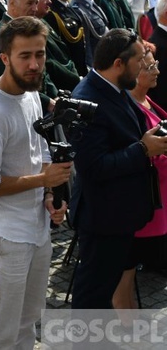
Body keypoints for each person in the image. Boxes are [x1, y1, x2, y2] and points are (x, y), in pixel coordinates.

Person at [0, 17, 70, 349]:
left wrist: (50, 196)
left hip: (37, 226)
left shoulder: (30, 93)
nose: (34, 64)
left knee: (29, 320)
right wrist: (42, 179)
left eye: (39, 55)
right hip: (7, 234)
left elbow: (38, 148)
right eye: (25, 56)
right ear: (4, 58)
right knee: (3, 330)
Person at [70, 29, 167, 309]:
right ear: (118, 64)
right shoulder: (87, 99)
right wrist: (144, 149)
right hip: (103, 218)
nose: (142, 68)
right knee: (92, 298)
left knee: (105, 291)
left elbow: (129, 132)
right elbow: (93, 166)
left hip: (121, 214)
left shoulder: (114, 89)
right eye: (139, 61)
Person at [112, 45, 167, 309]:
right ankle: (124, 316)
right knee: (128, 264)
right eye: (149, 66)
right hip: (143, 199)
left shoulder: (146, 99)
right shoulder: (128, 107)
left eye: (155, 64)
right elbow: (141, 155)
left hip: (158, 195)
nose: (156, 70)